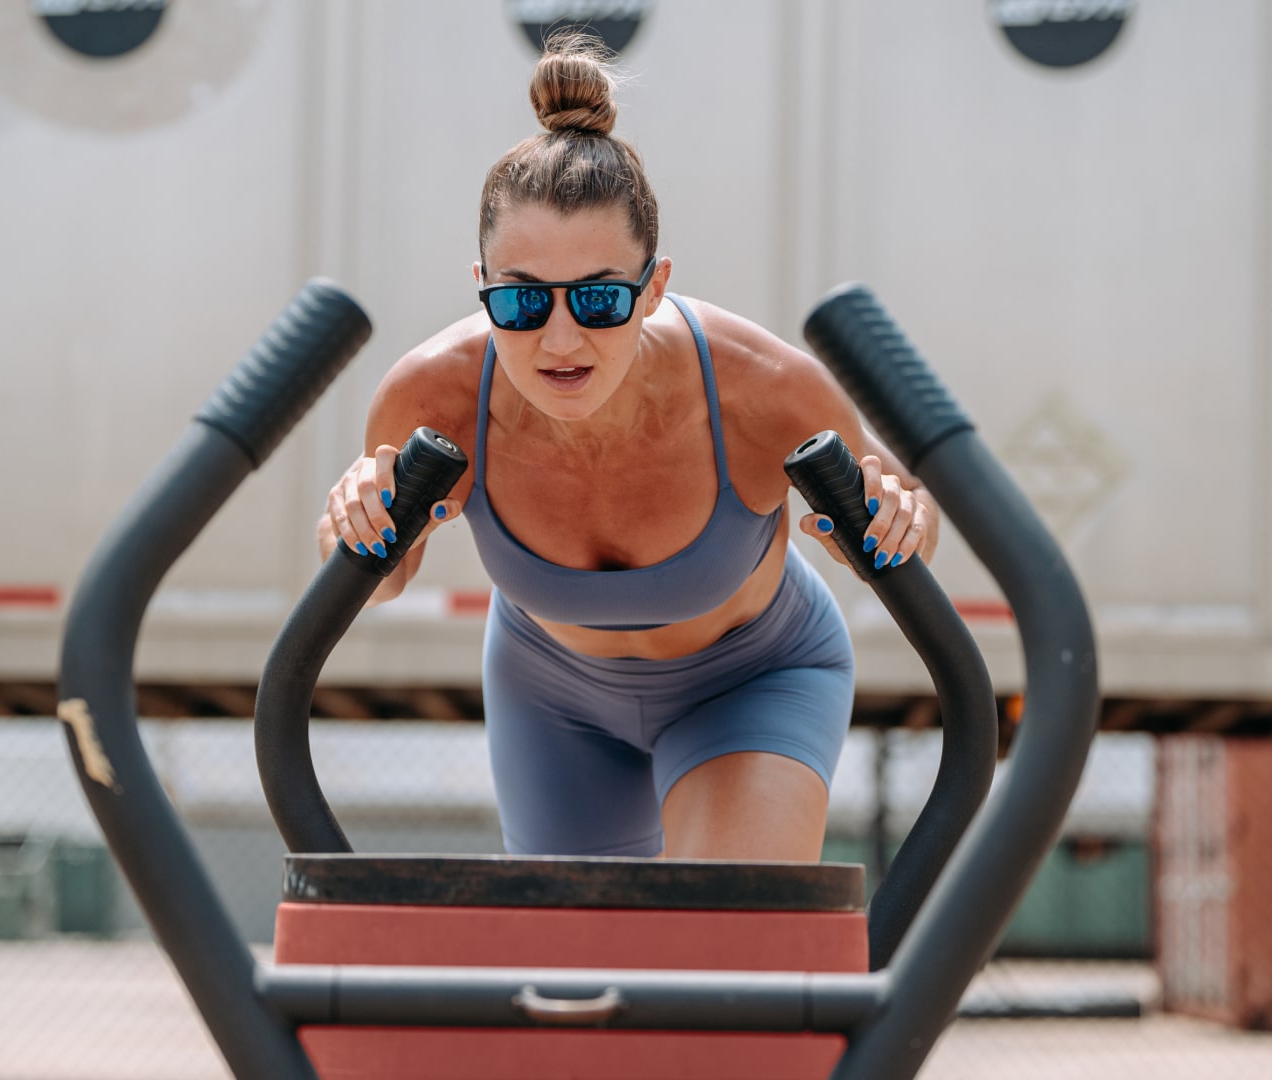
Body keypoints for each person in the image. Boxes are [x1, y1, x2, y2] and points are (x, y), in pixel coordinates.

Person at [319, 32, 938, 862]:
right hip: (551, 693)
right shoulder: (433, 396)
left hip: (750, 677)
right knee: (574, 979)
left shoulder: (762, 388)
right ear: (481, 288)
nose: (561, 338)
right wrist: (347, 526)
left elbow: (902, 536)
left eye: (602, 298)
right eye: (523, 300)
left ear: (655, 287)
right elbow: (377, 580)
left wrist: (903, 520)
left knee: (722, 959)